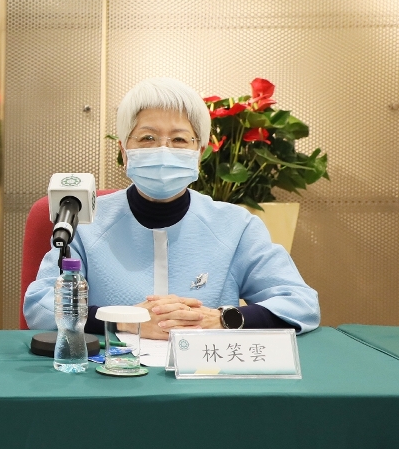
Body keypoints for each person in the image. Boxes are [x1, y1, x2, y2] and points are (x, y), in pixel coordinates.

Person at [23, 76, 320, 337]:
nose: (163, 150)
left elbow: (301, 304)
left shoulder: (236, 226)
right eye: (148, 138)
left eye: (179, 139)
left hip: (206, 373)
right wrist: (126, 321)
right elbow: (40, 306)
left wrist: (221, 319)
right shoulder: (86, 221)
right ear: (124, 151)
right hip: (110, 371)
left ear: (199, 152)